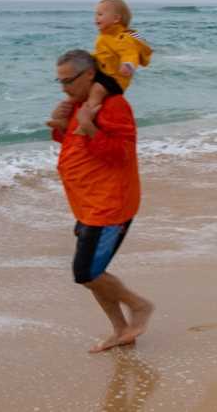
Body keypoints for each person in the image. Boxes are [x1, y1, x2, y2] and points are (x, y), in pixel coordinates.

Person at [50, 49, 154, 353]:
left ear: (90, 74)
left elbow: (120, 154)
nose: (63, 88)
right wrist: (60, 127)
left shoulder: (114, 106)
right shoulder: (81, 105)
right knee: (94, 275)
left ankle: (140, 307)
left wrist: (89, 124)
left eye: (68, 80)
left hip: (110, 206)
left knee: (87, 272)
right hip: (87, 203)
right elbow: (76, 145)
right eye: (59, 81)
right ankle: (122, 330)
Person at [47, 0, 152, 133]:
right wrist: (89, 60)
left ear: (116, 18)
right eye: (95, 14)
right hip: (103, 72)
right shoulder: (104, 36)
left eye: (100, 14)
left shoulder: (123, 38)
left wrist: (128, 65)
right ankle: (63, 121)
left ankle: (85, 122)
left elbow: (130, 53)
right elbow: (102, 55)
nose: (96, 18)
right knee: (73, 96)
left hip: (115, 78)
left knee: (96, 91)